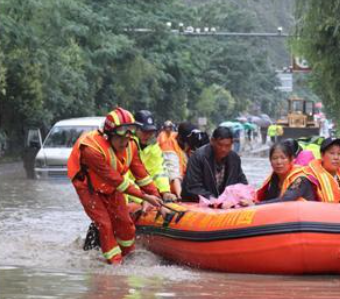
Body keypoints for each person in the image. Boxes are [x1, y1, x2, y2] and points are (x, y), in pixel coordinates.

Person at [67, 107, 163, 265]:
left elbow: (142, 175)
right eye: (120, 138)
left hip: (111, 188)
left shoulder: (131, 145)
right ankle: (115, 265)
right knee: (105, 224)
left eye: (128, 136)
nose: (124, 142)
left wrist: (157, 197)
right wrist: (145, 197)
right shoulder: (92, 150)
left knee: (125, 223)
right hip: (88, 187)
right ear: (108, 135)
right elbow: (116, 180)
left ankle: (129, 256)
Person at [181, 126, 248, 202]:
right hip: (199, 202)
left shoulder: (234, 159)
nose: (223, 149)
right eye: (220, 145)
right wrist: (213, 200)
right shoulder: (198, 157)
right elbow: (192, 187)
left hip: (224, 203)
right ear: (212, 141)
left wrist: (244, 197)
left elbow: (242, 182)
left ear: (232, 143)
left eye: (227, 146)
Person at [127, 110, 176, 204]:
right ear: (134, 129)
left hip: (142, 193)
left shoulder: (154, 147)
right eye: (144, 131)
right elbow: (124, 178)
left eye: (151, 132)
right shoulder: (126, 144)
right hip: (125, 194)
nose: (148, 135)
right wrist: (143, 198)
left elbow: (158, 171)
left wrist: (165, 191)